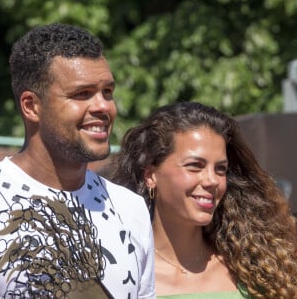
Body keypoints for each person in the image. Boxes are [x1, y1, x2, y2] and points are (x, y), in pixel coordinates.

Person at [0, 23, 155, 298]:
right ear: (31, 106)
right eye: (82, 94)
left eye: (107, 92)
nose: (103, 107)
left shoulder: (130, 209)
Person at [109, 101, 297, 298]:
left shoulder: (260, 270)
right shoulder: (122, 274)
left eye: (220, 169)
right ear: (150, 175)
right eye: (195, 166)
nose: (212, 180)